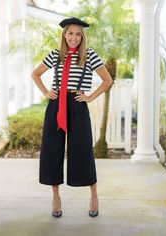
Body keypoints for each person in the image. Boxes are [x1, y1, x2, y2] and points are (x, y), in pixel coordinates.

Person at [32, 16, 112, 218]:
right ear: (64, 34)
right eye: (70, 33)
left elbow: (107, 80)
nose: (74, 37)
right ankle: (56, 197)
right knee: (52, 150)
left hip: (77, 105)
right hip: (56, 105)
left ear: (82, 36)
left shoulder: (90, 55)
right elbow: (35, 74)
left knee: (83, 150)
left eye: (78, 34)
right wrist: (45, 92)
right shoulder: (56, 54)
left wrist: (89, 97)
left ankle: (94, 195)